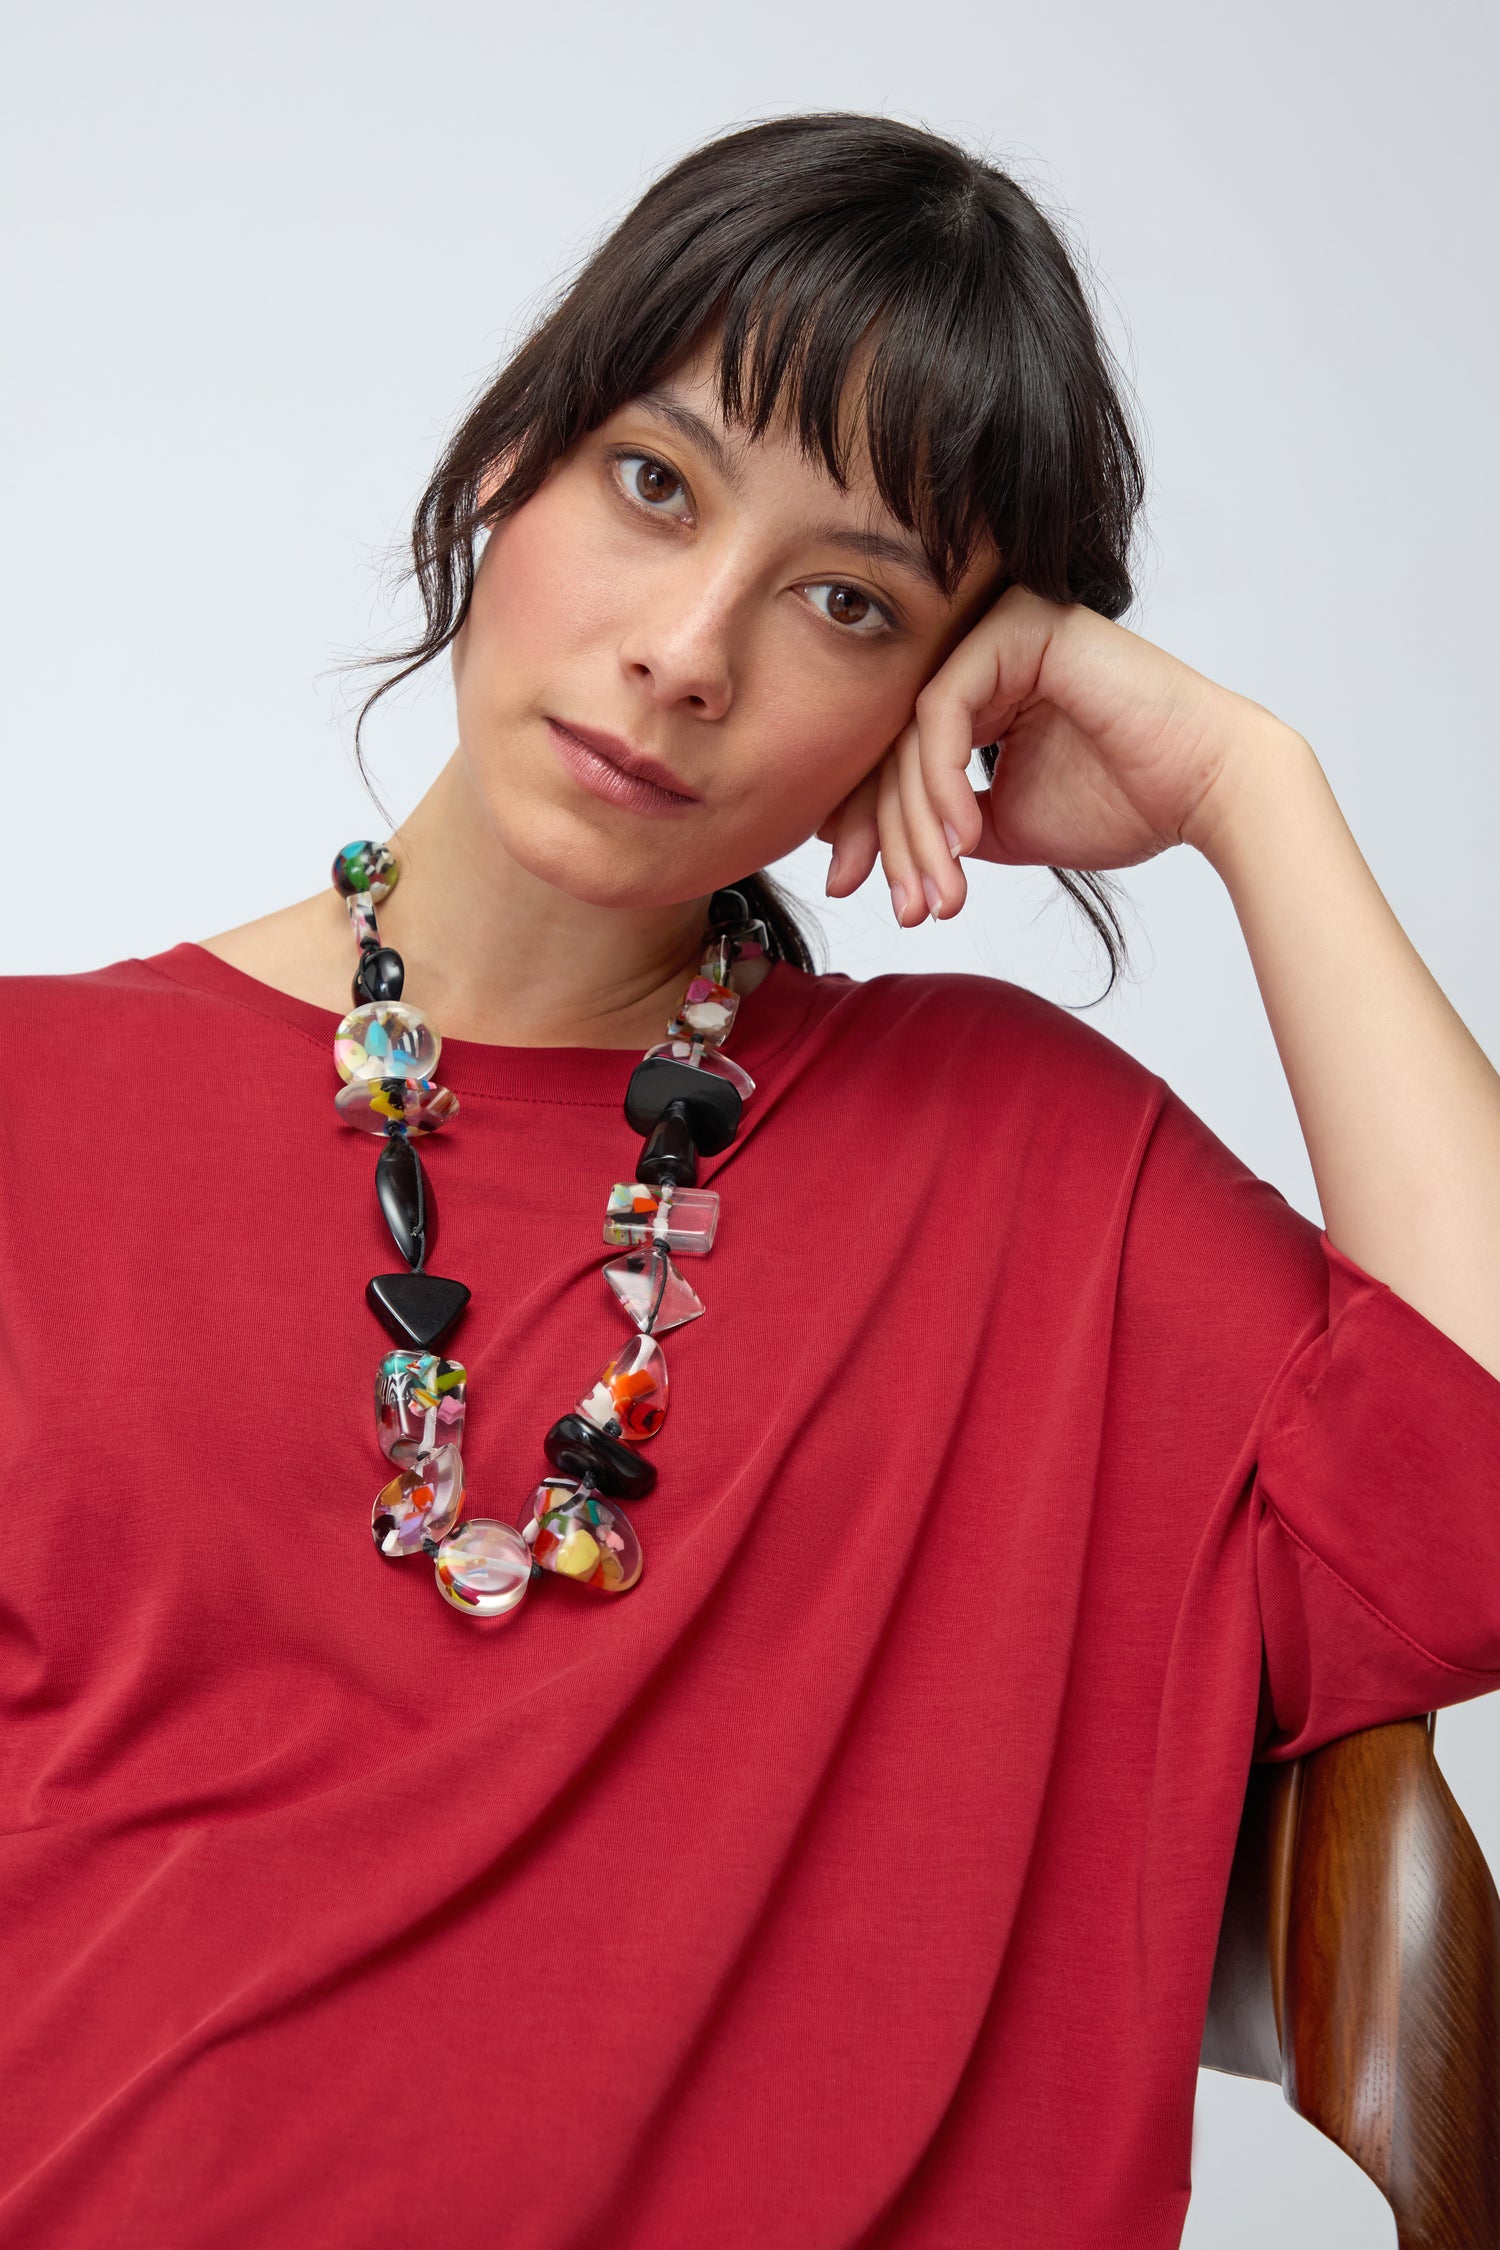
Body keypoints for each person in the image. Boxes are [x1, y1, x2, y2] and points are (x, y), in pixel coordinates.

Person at [3, 110, 1498, 2250]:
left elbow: (1476, 1491)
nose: (692, 650)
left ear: (936, 705)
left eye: (845, 601)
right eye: (652, 483)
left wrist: (1259, 793)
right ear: (516, 451)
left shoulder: (1022, 1172)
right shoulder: (34, 1114)